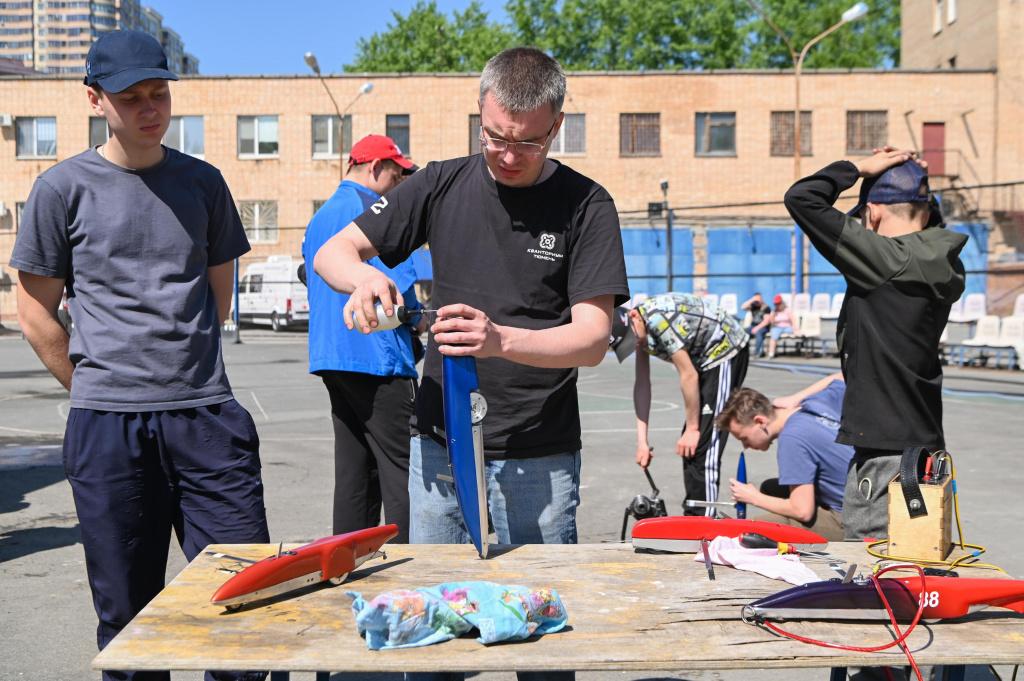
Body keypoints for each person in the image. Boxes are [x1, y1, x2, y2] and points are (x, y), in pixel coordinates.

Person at [11, 31, 269, 681]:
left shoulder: (204, 184)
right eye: (132, 97)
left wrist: (184, 365)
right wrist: (92, 382)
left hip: (207, 415)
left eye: (160, 94)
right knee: (128, 613)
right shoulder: (60, 189)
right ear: (96, 99)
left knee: (246, 599)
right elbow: (34, 310)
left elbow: (219, 298)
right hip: (108, 426)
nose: (150, 109)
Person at [314, 47, 627, 561]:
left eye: (528, 142)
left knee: (539, 601)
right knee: (438, 598)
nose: (508, 155)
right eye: (496, 136)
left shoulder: (588, 205)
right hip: (439, 441)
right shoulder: (441, 182)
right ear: (480, 110)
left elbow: (593, 338)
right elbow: (333, 251)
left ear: (557, 126)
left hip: (537, 452)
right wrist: (362, 279)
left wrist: (499, 340)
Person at [784, 147, 966, 540]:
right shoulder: (942, 260)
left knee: (874, 573)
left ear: (875, 213)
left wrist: (856, 167)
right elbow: (911, 221)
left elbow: (801, 198)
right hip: (925, 449)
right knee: (917, 563)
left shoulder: (884, 262)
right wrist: (910, 183)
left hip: (884, 457)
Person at [302, 134, 423, 543]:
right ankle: (414, 568)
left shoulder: (322, 216)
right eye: (397, 175)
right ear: (375, 169)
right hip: (378, 358)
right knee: (406, 470)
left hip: (334, 356)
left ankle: (346, 560)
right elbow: (402, 287)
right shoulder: (372, 212)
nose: (400, 186)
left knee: (354, 470)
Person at [610, 293, 750, 516]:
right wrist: (642, 443)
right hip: (701, 359)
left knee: (704, 438)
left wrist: (693, 429)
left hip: (724, 349)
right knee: (691, 445)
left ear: (634, 316)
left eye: (633, 339)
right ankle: (695, 512)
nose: (636, 344)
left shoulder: (657, 320)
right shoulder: (640, 330)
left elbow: (688, 375)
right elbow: (642, 385)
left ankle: (705, 516)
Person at [716, 374, 854, 541]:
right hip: (865, 500)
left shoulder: (792, 438)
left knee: (754, 528)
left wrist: (753, 498)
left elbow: (802, 511)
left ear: (760, 421)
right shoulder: (813, 403)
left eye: (744, 438)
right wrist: (797, 397)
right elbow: (843, 374)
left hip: (852, 521)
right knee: (770, 488)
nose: (745, 446)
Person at [765, 294, 799, 359]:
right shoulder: (774, 311)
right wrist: (773, 315)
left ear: (781, 303)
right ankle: (771, 353)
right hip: (777, 327)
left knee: (797, 333)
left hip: (787, 327)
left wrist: (795, 328)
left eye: (778, 303)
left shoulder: (787, 310)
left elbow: (793, 319)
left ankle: (798, 349)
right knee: (774, 336)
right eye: (776, 304)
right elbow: (772, 322)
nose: (777, 305)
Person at [741, 292, 771, 357]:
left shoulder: (766, 308)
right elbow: (743, 307)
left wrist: (757, 328)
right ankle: (743, 352)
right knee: (743, 332)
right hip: (753, 326)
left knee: (759, 333)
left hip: (763, 327)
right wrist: (752, 300)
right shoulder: (753, 306)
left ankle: (757, 352)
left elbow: (766, 322)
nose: (757, 301)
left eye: (759, 299)